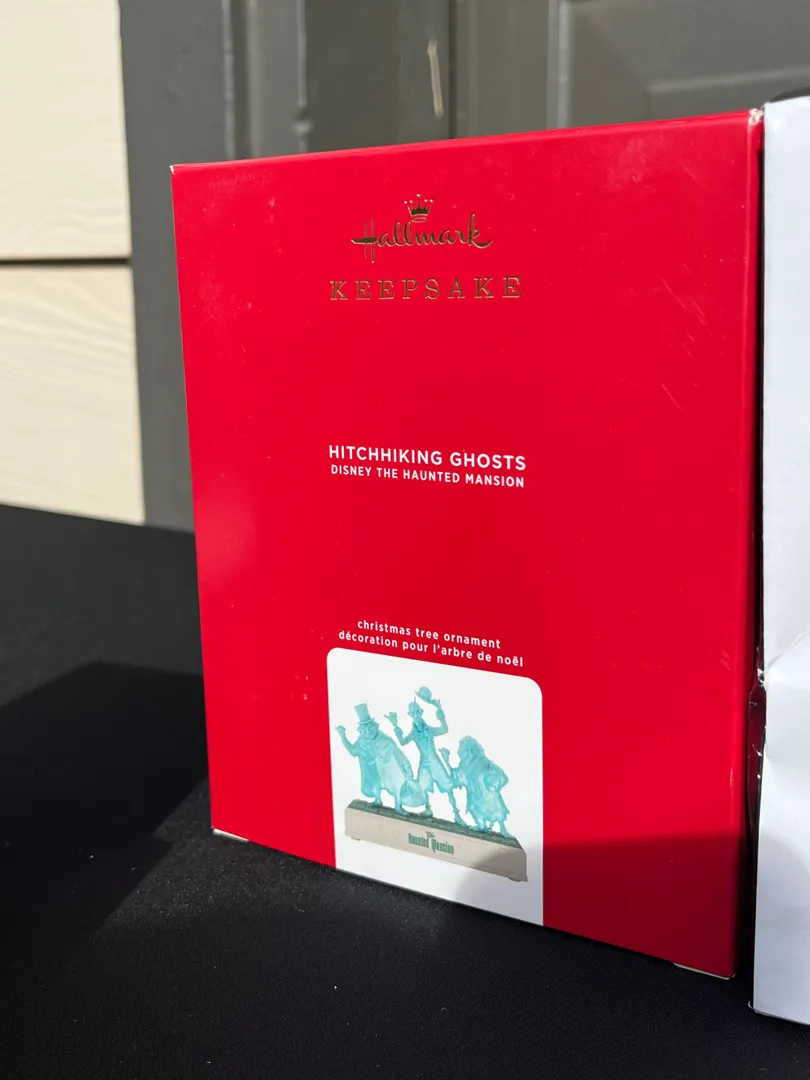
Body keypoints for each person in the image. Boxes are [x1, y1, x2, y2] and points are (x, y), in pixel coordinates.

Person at [387, 686, 463, 824]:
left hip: (434, 760)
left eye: (417, 711)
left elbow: (444, 729)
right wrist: (395, 725)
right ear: (409, 714)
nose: (416, 714)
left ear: (421, 712)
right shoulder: (413, 733)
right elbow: (403, 742)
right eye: (413, 712)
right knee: (423, 787)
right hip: (424, 762)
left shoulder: (429, 730)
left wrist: (439, 710)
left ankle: (456, 813)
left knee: (447, 786)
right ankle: (428, 809)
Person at [337, 703, 423, 813]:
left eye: (370, 728)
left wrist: (407, 767)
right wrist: (343, 736)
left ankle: (398, 806)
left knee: (396, 785)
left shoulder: (385, 740)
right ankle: (378, 800)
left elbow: (399, 754)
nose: (368, 732)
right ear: (361, 731)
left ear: (374, 726)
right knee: (373, 785)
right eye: (365, 730)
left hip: (390, 770)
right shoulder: (362, 741)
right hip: (374, 772)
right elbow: (353, 751)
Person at [441, 735, 512, 838]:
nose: (459, 753)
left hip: (488, 795)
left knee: (496, 810)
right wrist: (446, 761)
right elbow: (455, 777)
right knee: (475, 810)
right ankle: (481, 825)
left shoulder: (483, 762)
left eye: (462, 750)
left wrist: (494, 785)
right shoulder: (464, 765)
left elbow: (500, 775)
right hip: (474, 798)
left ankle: (503, 829)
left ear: (471, 751)